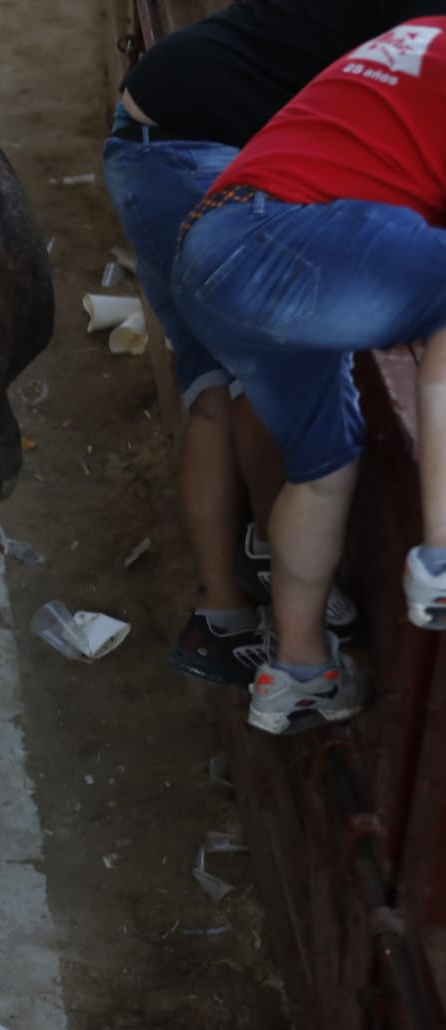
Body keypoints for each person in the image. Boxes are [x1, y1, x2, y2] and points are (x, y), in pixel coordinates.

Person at [97, 0, 443, 688]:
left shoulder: (419, 32)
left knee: (275, 429)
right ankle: (414, 558)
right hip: (206, 167)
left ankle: (270, 644)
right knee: (235, 397)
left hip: (199, 185)